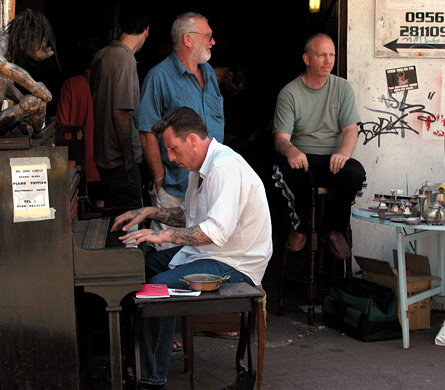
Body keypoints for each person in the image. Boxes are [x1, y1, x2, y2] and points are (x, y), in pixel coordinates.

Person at [112, 106, 272, 389]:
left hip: (236, 264)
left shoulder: (224, 168)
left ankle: (150, 381)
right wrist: (149, 212)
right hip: (209, 254)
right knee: (140, 269)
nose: (170, 158)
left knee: (158, 289)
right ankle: (134, 364)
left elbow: (213, 231)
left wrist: (163, 237)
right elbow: (190, 215)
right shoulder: (199, 168)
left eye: (173, 149)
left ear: (193, 141)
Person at [134, 12, 224, 251]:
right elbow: (146, 130)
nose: (212, 42)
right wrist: (159, 176)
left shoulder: (208, 74)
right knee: (169, 254)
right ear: (188, 39)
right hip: (175, 186)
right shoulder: (159, 77)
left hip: (209, 184)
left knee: (203, 253)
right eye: (208, 36)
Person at [272, 33, 366, 257]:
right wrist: (292, 150)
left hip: (333, 160)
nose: (328, 60)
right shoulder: (290, 92)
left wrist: (344, 153)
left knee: (354, 172)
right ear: (307, 59)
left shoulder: (342, 88)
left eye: (332, 55)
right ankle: (300, 228)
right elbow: (281, 139)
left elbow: (351, 130)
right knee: (285, 171)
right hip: (304, 158)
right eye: (322, 55)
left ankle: (333, 230)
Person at [90, 6, 150, 209]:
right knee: (129, 219)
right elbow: (120, 113)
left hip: (103, 155)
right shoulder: (125, 61)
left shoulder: (102, 55)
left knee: (114, 215)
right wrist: (129, 158)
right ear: (146, 31)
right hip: (118, 160)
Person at [0, 9, 57, 137]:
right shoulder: (1, 41)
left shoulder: (9, 49)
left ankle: (32, 130)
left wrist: (20, 98)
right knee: (36, 102)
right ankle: (38, 135)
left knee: (34, 102)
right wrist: (34, 86)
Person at [56, 38, 105, 207]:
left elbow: (62, 126)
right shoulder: (107, 85)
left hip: (77, 164)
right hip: (104, 163)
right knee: (101, 206)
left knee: (78, 208)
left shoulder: (71, 85)